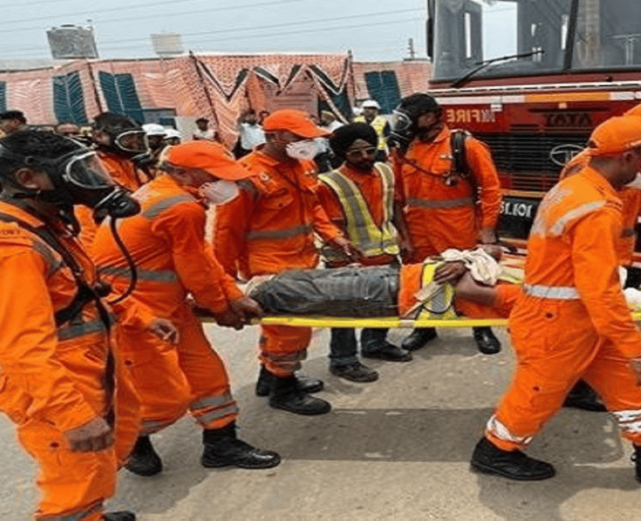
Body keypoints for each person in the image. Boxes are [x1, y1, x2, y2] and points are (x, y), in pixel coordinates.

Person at [469, 115, 641, 485]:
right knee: (538, 393)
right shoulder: (596, 209)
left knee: (629, 383)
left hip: (580, 318)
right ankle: (495, 450)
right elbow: (600, 290)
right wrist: (638, 351)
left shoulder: (577, 188)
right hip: (557, 323)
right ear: (629, 157)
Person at [0, 130, 177, 520]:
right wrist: (73, 415)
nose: (90, 181)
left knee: (96, 470)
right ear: (28, 179)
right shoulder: (7, 247)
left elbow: (84, 292)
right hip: (55, 389)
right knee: (73, 490)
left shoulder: (41, 224)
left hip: (82, 372)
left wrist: (141, 317)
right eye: (77, 172)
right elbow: (20, 347)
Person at [91, 141, 281, 477]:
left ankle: (221, 443)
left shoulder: (168, 195)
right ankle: (134, 442)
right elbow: (194, 269)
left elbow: (201, 256)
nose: (225, 183)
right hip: (136, 314)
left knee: (206, 373)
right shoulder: (179, 207)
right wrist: (221, 308)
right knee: (154, 391)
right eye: (215, 176)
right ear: (182, 172)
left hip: (168, 306)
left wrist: (230, 295)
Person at [213, 109, 359, 415]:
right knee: (291, 330)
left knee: (278, 325)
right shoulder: (246, 174)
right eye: (300, 137)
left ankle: (269, 378)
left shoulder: (305, 166)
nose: (308, 143)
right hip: (269, 264)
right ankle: (284, 388)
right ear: (274, 136)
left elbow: (313, 206)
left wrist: (334, 237)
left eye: (310, 137)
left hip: (303, 259)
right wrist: (223, 284)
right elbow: (227, 231)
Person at [558, 100, 641, 412]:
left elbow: (640, 194)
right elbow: (577, 219)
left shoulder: (630, 167)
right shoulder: (589, 168)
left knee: (599, 329)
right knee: (590, 327)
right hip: (596, 260)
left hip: (617, 256)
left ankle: (585, 384)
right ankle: (574, 387)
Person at [390, 93, 504, 355]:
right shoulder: (404, 149)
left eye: (409, 118)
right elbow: (396, 196)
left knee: (471, 278)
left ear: (430, 116)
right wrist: (403, 235)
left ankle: (481, 326)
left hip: (457, 228)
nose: (404, 124)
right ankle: (425, 327)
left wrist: (487, 230)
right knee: (423, 277)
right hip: (418, 229)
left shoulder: (464, 145)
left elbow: (491, 189)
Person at [316, 123, 413, 382]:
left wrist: (405, 239)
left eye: (369, 151)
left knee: (386, 302)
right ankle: (342, 360)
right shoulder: (330, 183)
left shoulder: (385, 171)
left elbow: (395, 207)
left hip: (386, 254)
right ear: (342, 154)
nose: (365, 157)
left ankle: (374, 343)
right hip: (347, 262)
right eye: (356, 153)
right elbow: (331, 225)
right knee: (344, 311)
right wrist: (346, 255)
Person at [250, 245, 521, 321]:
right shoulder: (530, 281)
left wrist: (469, 263)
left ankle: (241, 298)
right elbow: (491, 250)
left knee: (303, 291)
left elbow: (469, 286)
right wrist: (466, 262)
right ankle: (244, 295)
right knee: (305, 285)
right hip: (394, 282)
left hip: (392, 294)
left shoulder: (529, 292)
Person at [76, 113, 154, 249]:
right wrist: (93, 252)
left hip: (137, 233)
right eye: (127, 139)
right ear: (99, 136)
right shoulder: (90, 166)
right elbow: (86, 219)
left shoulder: (131, 164)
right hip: (109, 239)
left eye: (137, 138)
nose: (134, 144)